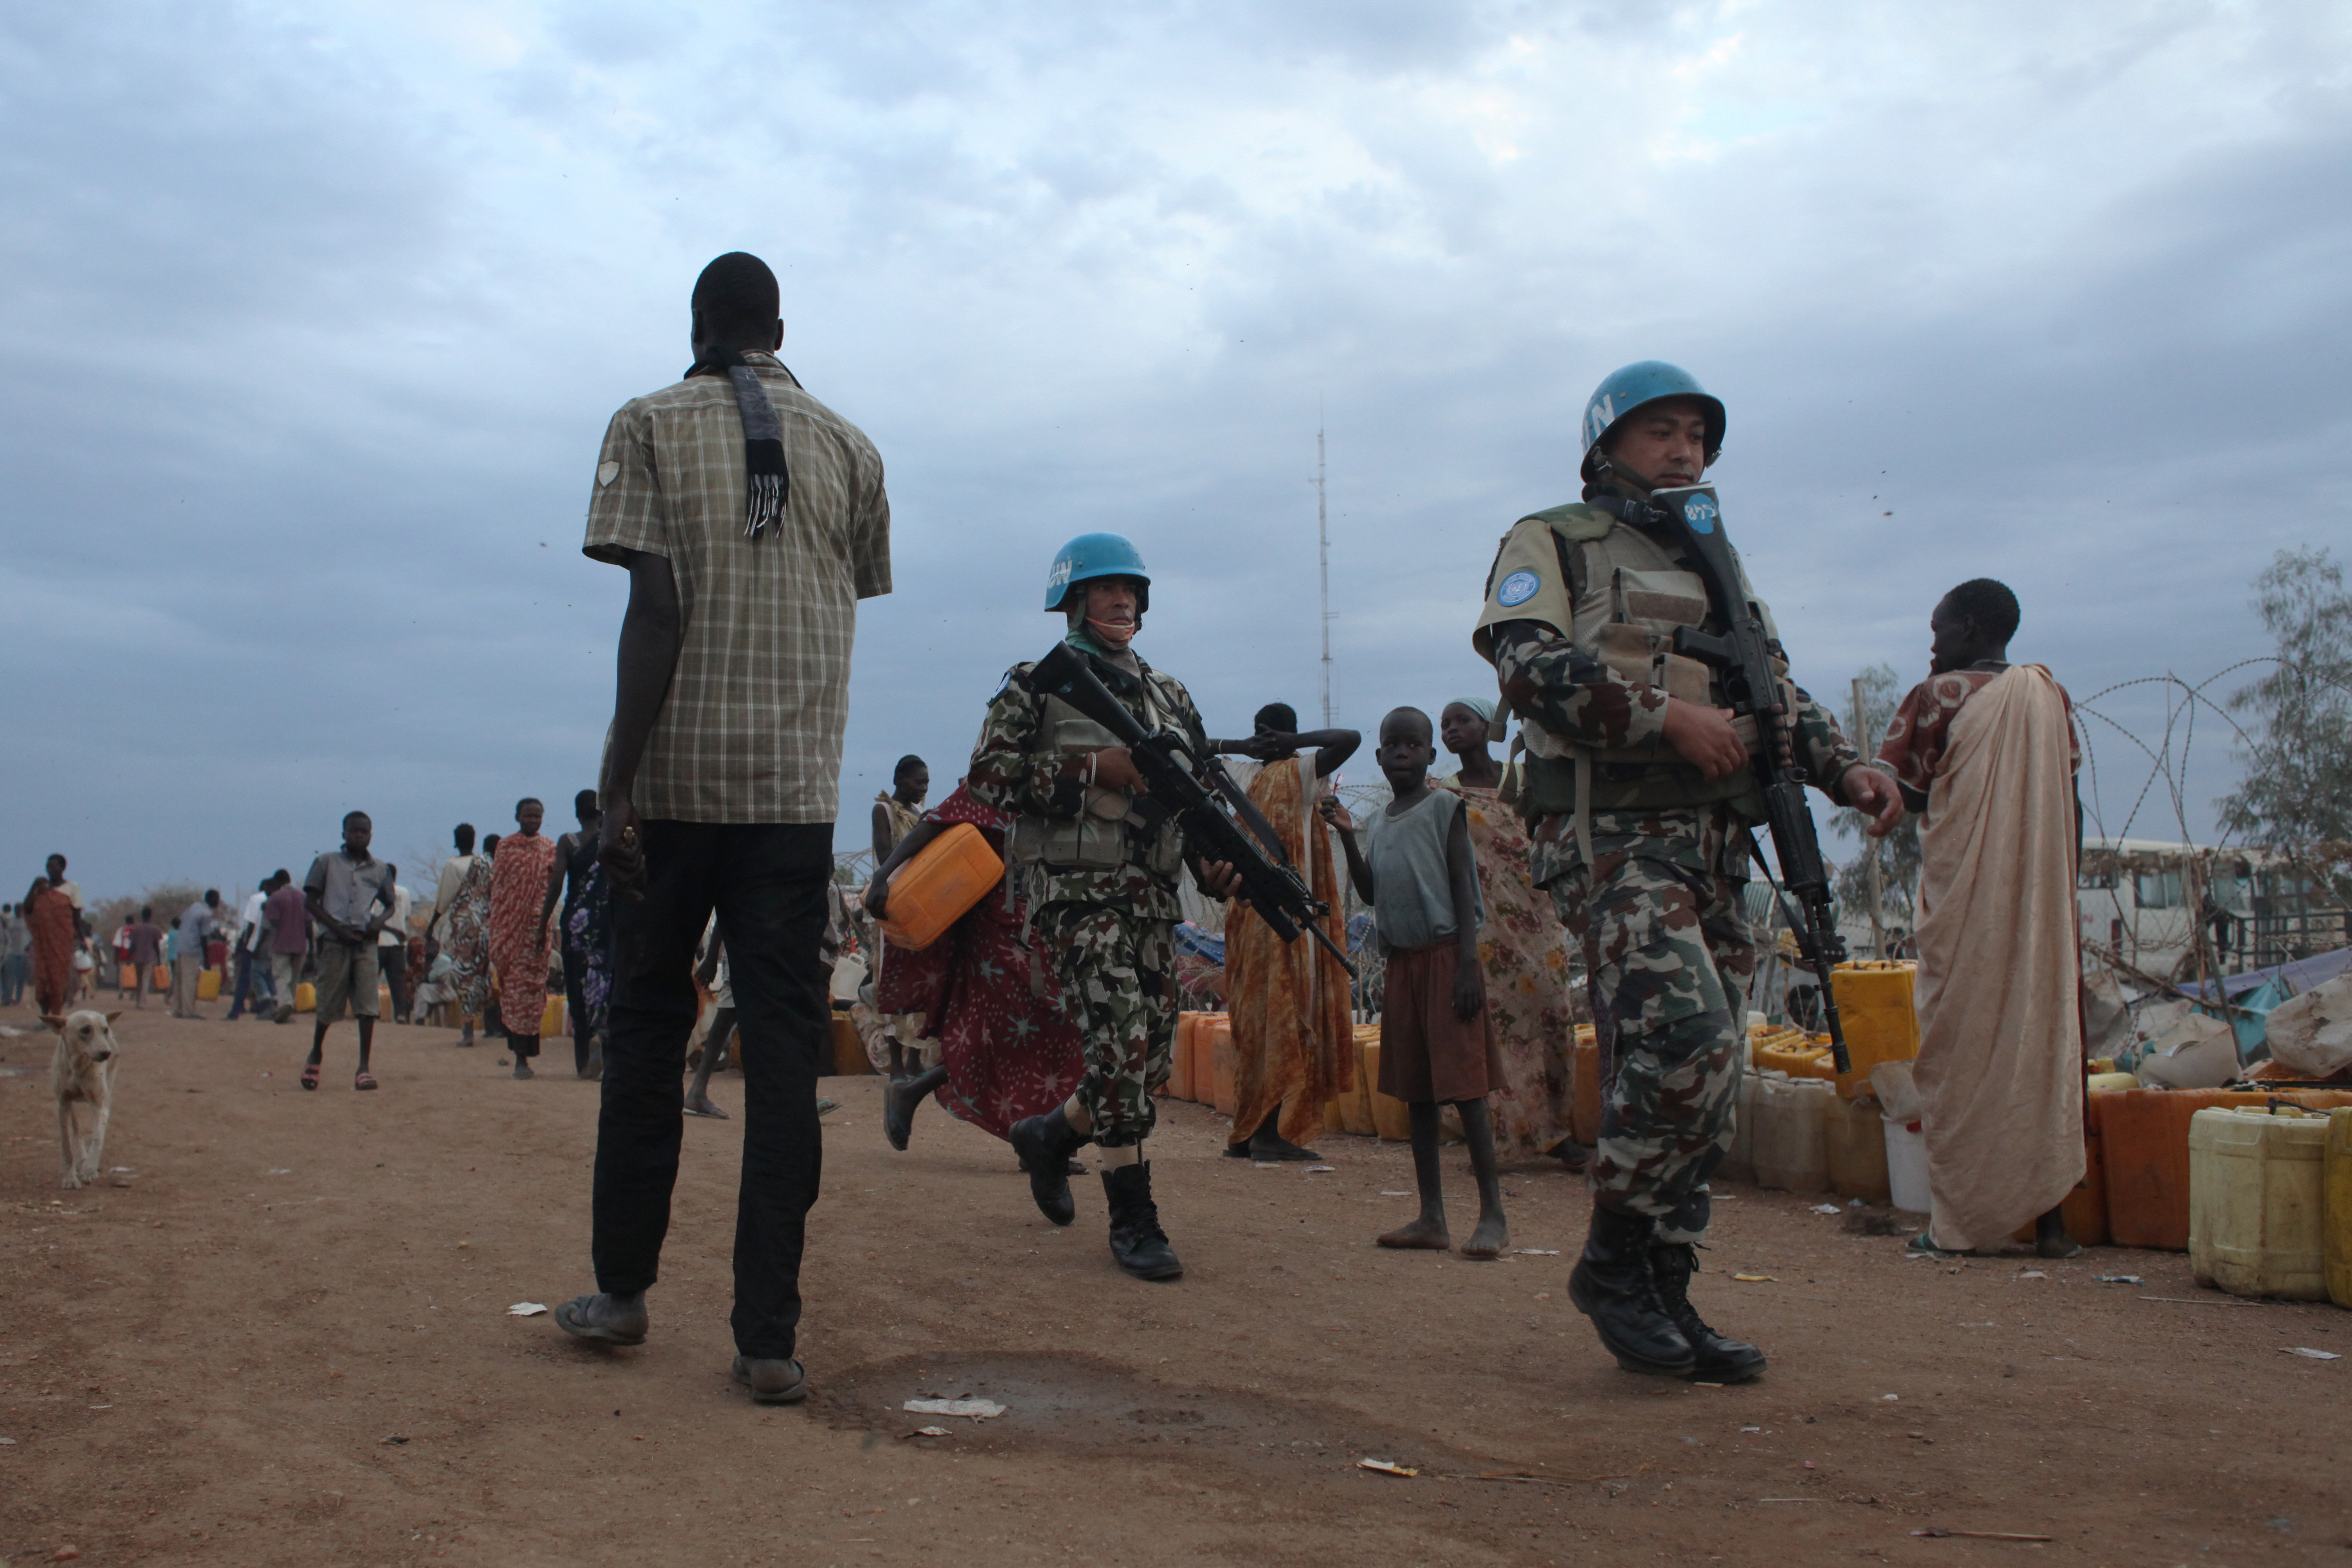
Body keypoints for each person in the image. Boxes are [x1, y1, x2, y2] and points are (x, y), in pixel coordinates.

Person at [1472, 361, 1902, 1382]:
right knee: (1684, 1035)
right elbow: (1527, 664)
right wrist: (1667, 716)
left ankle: (1664, 1281)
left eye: (1696, 437)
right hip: (1613, 838)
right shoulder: (1552, 539)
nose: (1683, 452)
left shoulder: (1715, 559)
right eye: (1660, 432)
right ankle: (1613, 1265)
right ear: (1604, 448)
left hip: (1716, 846)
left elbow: (1771, 685)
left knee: (1711, 1075)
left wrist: (1846, 767)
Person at [555, 250, 892, 1408]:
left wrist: (617, 782)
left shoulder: (645, 422)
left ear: (696, 325)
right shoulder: (853, 449)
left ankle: (623, 1292)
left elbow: (654, 607)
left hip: (674, 791)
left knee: (647, 1032)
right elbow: (843, 595)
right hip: (793, 798)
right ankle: (765, 1339)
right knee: (785, 1062)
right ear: (779, 327)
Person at [976, 534, 1241, 1282]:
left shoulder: (1170, 695)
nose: (1120, 600)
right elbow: (990, 779)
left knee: (1147, 1056)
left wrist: (1211, 865)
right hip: (1075, 895)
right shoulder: (1036, 683)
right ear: (1071, 602)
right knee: (1120, 1039)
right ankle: (1133, 1216)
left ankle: (1050, 1137)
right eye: (1102, 589)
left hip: (1149, 898)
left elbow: (1190, 804)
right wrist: (1097, 769)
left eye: (1129, 589)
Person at [1872, 578, 2085, 1260]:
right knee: (2039, 1043)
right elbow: (2068, 801)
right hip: (2041, 903)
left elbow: (1897, 796)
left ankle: (1954, 1222)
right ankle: (2050, 1229)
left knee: (1959, 1049)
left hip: (1966, 905)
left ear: (1968, 626)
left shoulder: (1936, 698)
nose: (1931, 641)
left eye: (1938, 627)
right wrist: (2058, 886)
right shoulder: (2046, 697)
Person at [1327, 707, 1509, 1257]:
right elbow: (1374, 892)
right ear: (1379, 757)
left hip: (1447, 958)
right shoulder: (1379, 821)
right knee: (1418, 1096)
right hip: (1403, 964)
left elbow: (1462, 887)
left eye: (1414, 744)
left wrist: (1468, 964)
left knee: (1468, 1090)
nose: (1402, 753)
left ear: (1432, 755)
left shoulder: (1444, 808)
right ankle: (1432, 1215)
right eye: (1392, 745)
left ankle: (1493, 1215)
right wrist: (1348, 837)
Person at [868, 783, 1088, 1152]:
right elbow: (935, 823)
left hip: (1043, 925)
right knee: (1038, 1025)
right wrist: (884, 874)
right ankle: (1037, 1136)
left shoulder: (1063, 783)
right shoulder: (998, 780)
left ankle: (1031, 1133)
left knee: (1026, 1030)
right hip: (999, 926)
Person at [1435, 696, 1586, 1169]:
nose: (1453, 729)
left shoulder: (1523, 780)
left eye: (1463, 720)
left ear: (1488, 724)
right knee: (1493, 1028)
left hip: (1538, 918)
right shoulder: (1443, 795)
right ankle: (1502, 1135)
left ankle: (1557, 1130)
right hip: (1480, 927)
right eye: (1446, 724)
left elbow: (1557, 831)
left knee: (1551, 1017)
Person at [1214, 703, 1357, 1162]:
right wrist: (1248, 746)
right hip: (1270, 920)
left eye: (1275, 735)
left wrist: (1283, 745)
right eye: (1262, 734)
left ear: (1291, 737)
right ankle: (1263, 1133)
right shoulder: (1249, 771)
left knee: (1260, 1020)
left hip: (1265, 917)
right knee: (1275, 1017)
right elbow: (1192, 751)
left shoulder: (1296, 769)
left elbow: (1349, 739)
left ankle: (1248, 1129)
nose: (1268, 741)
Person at [300, 812, 396, 1089]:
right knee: (328, 1004)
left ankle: (364, 1068)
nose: (358, 836)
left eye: (364, 832)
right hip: (334, 942)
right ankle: (316, 1054)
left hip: (365, 944)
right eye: (353, 831)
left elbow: (390, 903)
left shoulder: (379, 869)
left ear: (371, 835)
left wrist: (377, 922)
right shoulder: (326, 863)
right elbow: (311, 901)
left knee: (368, 1007)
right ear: (343, 834)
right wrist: (336, 928)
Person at [866, 755, 936, 1082]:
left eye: (926, 783)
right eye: (918, 782)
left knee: (918, 983)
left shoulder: (920, 814)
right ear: (899, 778)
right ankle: (896, 1065)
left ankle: (913, 1063)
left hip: (918, 907)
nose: (923, 788)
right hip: (893, 906)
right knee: (893, 983)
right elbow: (885, 858)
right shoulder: (883, 811)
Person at [540, 789, 610, 1079]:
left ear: (577, 814)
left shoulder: (568, 842)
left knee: (577, 988)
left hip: (576, 924)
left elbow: (556, 885)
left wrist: (542, 923)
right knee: (607, 982)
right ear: (603, 812)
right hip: (607, 921)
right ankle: (605, 1042)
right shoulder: (614, 837)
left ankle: (584, 1064)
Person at [489, 799, 559, 1080]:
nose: (533, 820)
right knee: (516, 994)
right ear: (517, 817)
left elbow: (552, 888)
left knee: (532, 993)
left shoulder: (550, 848)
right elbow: (501, 891)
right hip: (511, 933)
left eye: (538, 816)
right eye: (528, 815)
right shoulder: (505, 848)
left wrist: (545, 927)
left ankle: (527, 1055)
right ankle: (520, 1059)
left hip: (538, 933)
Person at [429, 824, 493, 1047]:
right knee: (483, 974)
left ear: (456, 841)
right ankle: (491, 1027)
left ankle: (468, 1032)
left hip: (464, 928)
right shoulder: (486, 863)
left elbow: (444, 900)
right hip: (486, 926)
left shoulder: (453, 865)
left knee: (463, 976)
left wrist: (431, 927)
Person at [23, 855, 84, 1016]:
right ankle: (45, 1015)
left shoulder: (72, 887)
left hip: (62, 943)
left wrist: (82, 938)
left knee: (59, 978)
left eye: (54, 867)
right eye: (48, 866)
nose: (50, 870)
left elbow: (76, 917)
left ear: (63, 868)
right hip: (42, 944)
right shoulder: (40, 889)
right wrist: (33, 887)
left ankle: (57, 1015)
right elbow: (28, 909)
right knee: (42, 979)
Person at [264, 870, 312, 1024]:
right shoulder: (303, 897)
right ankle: (288, 1009)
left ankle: (285, 1004)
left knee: (281, 976)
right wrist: (311, 946)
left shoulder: (275, 898)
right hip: (300, 943)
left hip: (281, 943)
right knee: (295, 978)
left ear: (278, 882)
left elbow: (273, 922)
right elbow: (309, 924)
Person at [226, 879, 275, 1021]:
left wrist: (245, 945)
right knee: (268, 977)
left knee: (244, 979)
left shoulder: (256, 899)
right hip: (271, 946)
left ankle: (236, 1011)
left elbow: (251, 925)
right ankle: (264, 1008)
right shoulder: (276, 900)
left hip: (255, 945)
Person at [169, 892, 221, 1019]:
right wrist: (207, 959)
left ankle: (177, 1010)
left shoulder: (195, 906)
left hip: (181, 946)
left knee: (179, 980)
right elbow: (204, 937)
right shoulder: (207, 914)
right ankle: (189, 1012)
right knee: (190, 981)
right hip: (192, 949)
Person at [375, 881, 414, 1024]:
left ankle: (374, 1013)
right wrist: (397, 929)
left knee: (373, 980)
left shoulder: (376, 892)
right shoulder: (404, 892)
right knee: (398, 982)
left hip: (379, 943)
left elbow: (373, 918)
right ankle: (401, 1014)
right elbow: (407, 915)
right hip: (398, 945)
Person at [118, 905, 165, 1010]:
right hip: (149, 957)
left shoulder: (136, 928)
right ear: (151, 915)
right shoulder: (154, 928)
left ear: (142, 915)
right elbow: (156, 945)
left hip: (137, 957)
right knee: (145, 980)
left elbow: (132, 944)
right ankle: (142, 1003)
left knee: (139, 980)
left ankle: (138, 1001)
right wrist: (159, 959)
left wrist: (130, 956)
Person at [0, 903, 28, 1007]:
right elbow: (6, 937)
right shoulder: (10, 922)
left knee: (21, 979)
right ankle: (7, 999)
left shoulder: (28, 923)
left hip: (24, 954)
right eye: (18, 910)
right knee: (10, 978)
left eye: (21, 910)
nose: (19, 912)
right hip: (12, 954)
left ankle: (18, 999)